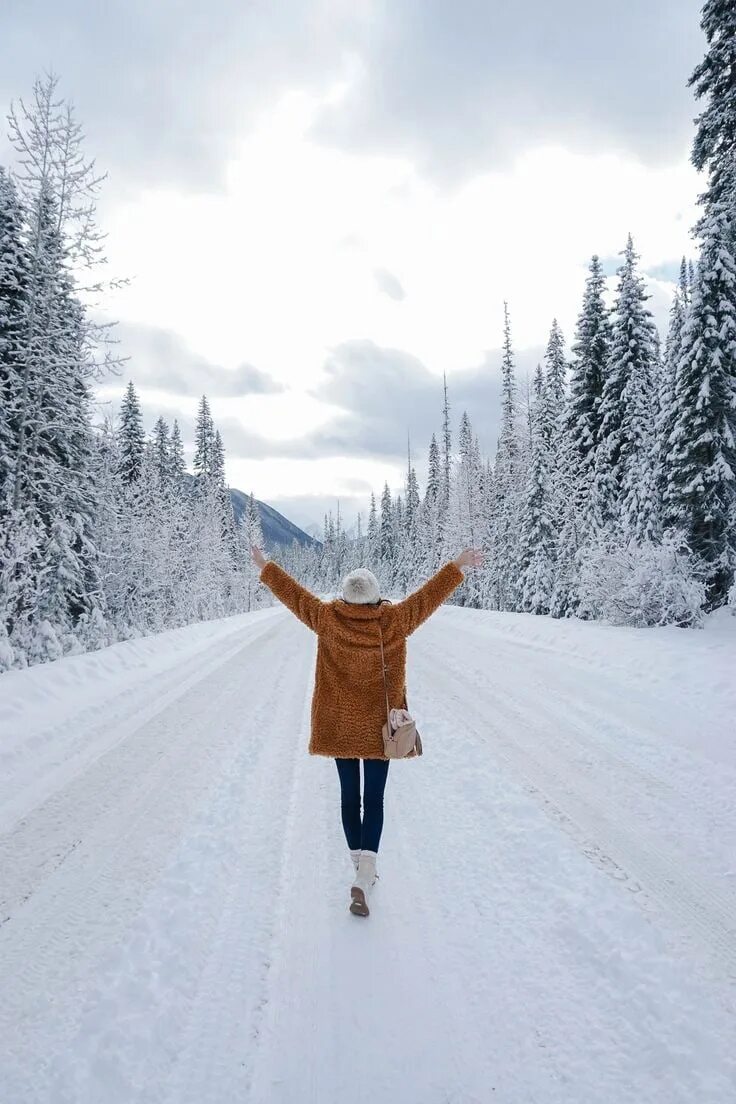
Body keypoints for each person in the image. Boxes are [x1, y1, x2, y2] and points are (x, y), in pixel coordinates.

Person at [250, 544, 484, 916]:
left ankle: (359, 869)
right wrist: (457, 565)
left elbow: (293, 595)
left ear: (344, 597)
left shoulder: (326, 619)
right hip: (381, 728)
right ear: (377, 597)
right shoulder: (395, 621)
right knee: (374, 801)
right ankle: (365, 873)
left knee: (349, 799)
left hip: (340, 726)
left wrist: (265, 566)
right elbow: (429, 596)